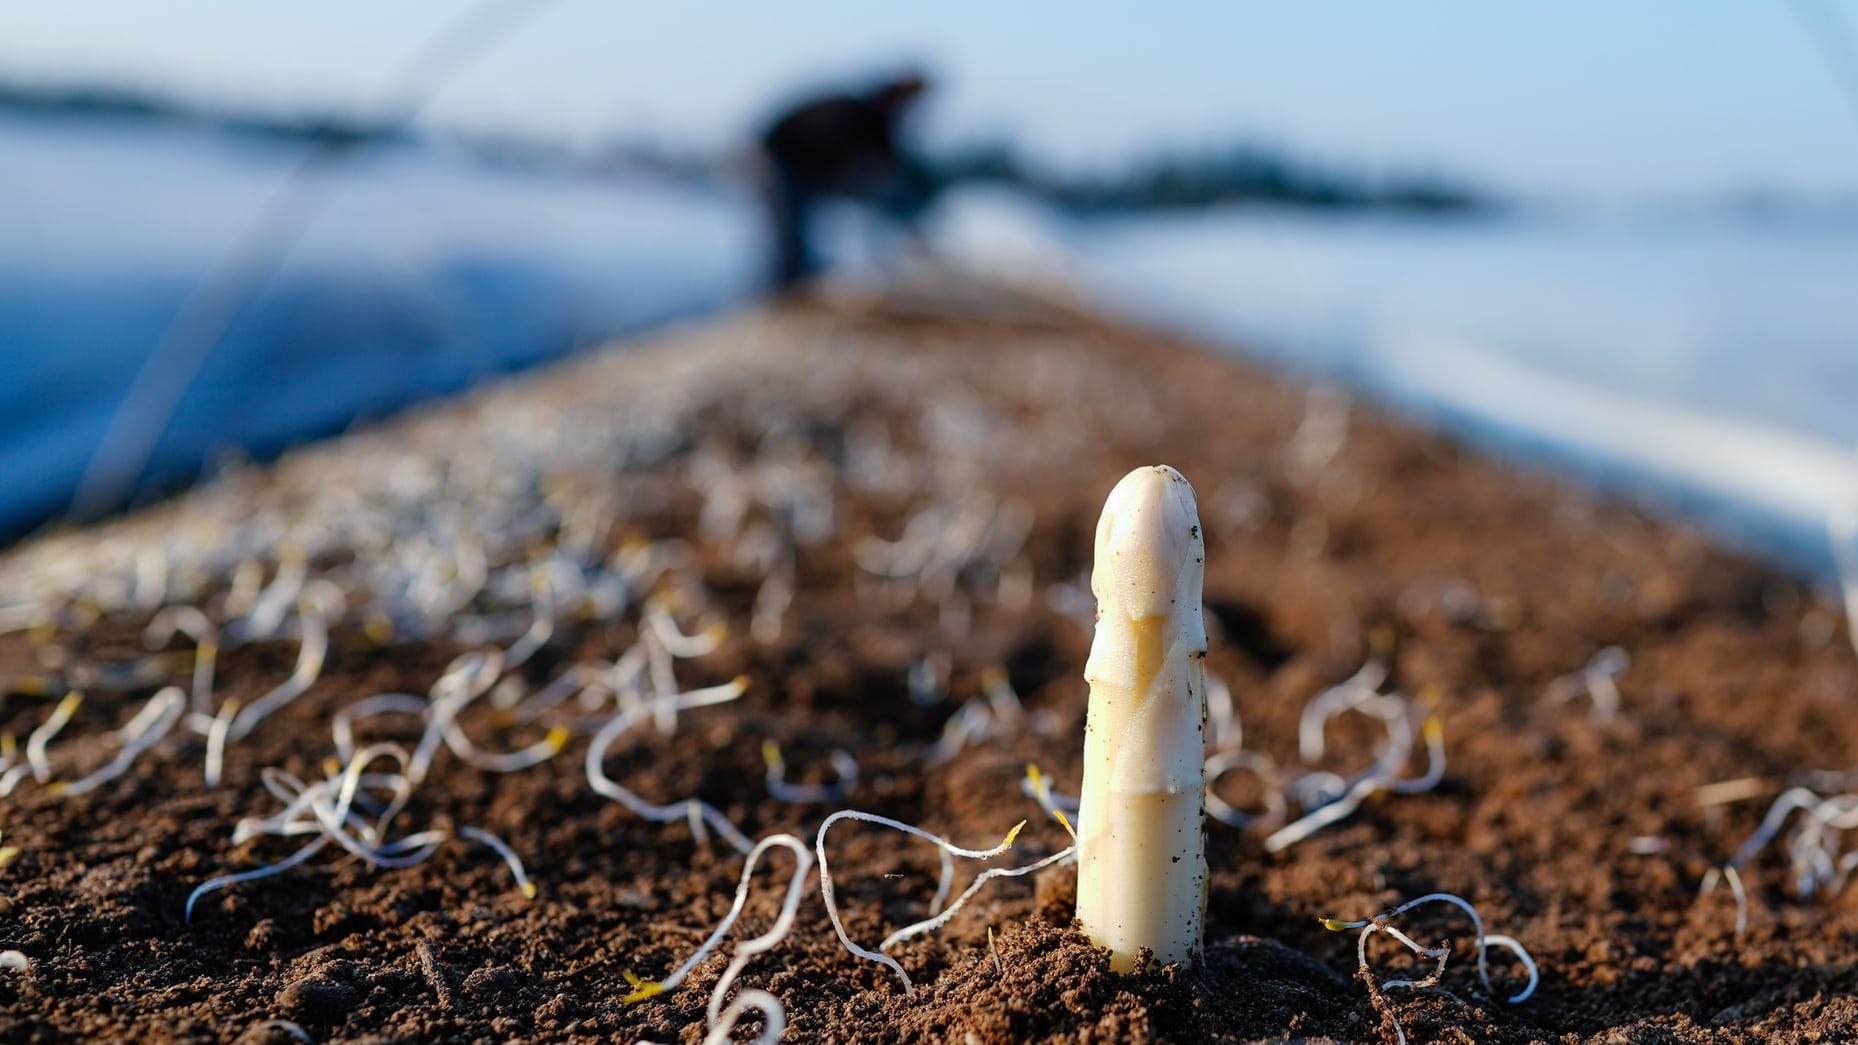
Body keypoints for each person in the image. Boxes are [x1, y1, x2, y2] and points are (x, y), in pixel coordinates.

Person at [756, 71, 931, 290]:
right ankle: (786, 287)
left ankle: (797, 279)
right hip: (778, 159)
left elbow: (887, 164)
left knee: (800, 227)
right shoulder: (856, 114)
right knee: (791, 228)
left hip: (798, 161)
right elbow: (823, 150)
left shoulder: (873, 117)